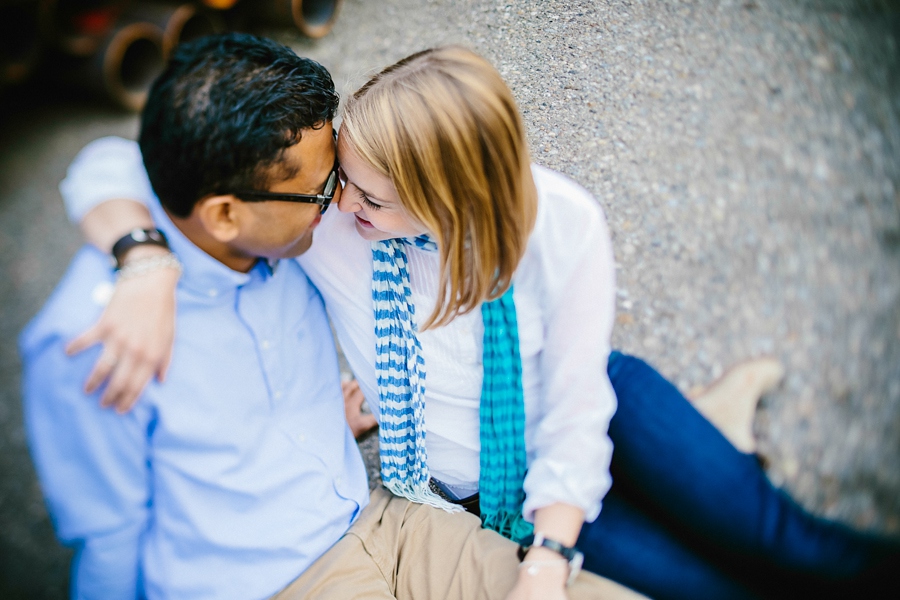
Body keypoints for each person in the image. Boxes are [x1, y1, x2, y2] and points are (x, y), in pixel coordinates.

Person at [60, 46, 899, 599]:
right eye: (339, 182)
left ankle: (722, 452)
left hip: (595, 418)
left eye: (368, 198)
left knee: (788, 544)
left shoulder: (561, 223)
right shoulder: (322, 226)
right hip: (501, 488)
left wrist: (552, 556)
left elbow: (577, 408)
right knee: (711, 591)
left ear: (447, 199)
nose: (340, 205)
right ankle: (720, 444)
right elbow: (125, 158)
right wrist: (143, 257)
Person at [20, 34, 624, 600]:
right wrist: (145, 258)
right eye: (324, 188)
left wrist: (143, 255)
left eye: (343, 182)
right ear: (226, 215)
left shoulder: (290, 235)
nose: (337, 203)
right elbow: (109, 538)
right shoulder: (102, 339)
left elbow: (116, 160)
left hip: (388, 519)